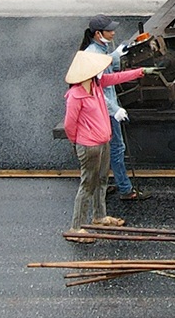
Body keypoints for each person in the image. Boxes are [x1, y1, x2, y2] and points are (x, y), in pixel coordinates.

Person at [62, 49, 153, 242]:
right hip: (89, 146)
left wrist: (140, 72)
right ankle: (75, 227)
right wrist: (78, 142)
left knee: (102, 179)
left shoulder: (96, 85)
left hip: (103, 142)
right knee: (87, 184)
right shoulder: (75, 95)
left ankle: (99, 216)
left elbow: (116, 77)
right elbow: (70, 125)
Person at [82, 17, 146, 202]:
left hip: (103, 110)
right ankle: (126, 190)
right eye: (109, 30)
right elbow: (97, 90)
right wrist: (114, 109)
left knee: (104, 149)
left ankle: (98, 183)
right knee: (117, 148)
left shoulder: (100, 50)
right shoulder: (93, 55)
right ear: (98, 34)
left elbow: (108, 69)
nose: (113, 33)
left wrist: (117, 55)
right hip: (104, 111)